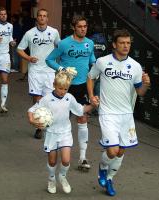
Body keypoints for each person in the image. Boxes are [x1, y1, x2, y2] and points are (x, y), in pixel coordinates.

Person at [87, 29, 150, 196]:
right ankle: (102, 167)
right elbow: (90, 77)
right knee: (112, 150)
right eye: (122, 43)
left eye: (128, 43)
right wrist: (92, 96)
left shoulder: (136, 66)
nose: (125, 46)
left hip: (126, 115)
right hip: (107, 113)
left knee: (121, 151)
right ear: (114, 44)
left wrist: (146, 84)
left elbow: (140, 92)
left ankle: (109, 178)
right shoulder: (102, 61)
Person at [27, 70, 98, 194]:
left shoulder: (69, 98)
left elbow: (81, 110)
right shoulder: (47, 99)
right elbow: (32, 110)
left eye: (66, 89)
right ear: (54, 85)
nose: (63, 91)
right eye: (60, 88)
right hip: (51, 134)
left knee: (65, 160)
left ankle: (62, 177)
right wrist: (32, 121)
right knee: (52, 161)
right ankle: (51, 179)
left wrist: (92, 105)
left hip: (65, 133)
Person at [46, 15, 96, 170]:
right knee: (60, 121)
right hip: (65, 87)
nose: (83, 29)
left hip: (82, 87)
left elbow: (92, 60)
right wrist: (62, 69)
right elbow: (49, 60)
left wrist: (96, 67)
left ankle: (82, 157)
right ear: (74, 27)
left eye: (85, 26)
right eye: (80, 26)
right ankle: (57, 149)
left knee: (82, 119)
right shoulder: (64, 43)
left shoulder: (90, 43)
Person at [17, 8, 60, 139]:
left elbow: (60, 47)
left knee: (49, 99)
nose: (42, 18)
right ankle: (38, 127)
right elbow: (19, 49)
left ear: (47, 18)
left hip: (49, 71)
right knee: (37, 98)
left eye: (44, 16)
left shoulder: (54, 32)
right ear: (37, 18)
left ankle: (48, 123)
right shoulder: (30, 33)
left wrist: (57, 64)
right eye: (40, 16)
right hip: (35, 71)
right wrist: (29, 58)